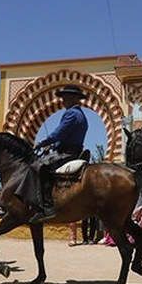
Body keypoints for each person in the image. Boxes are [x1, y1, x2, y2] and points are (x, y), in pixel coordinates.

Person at [26, 85, 88, 224]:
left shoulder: (72, 114)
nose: (63, 101)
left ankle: (47, 206)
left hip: (67, 153)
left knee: (38, 167)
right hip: (73, 150)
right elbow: (66, 135)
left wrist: (43, 143)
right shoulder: (81, 115)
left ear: (72, 99)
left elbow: (59, 133)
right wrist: (52, 146)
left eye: (65, 98)